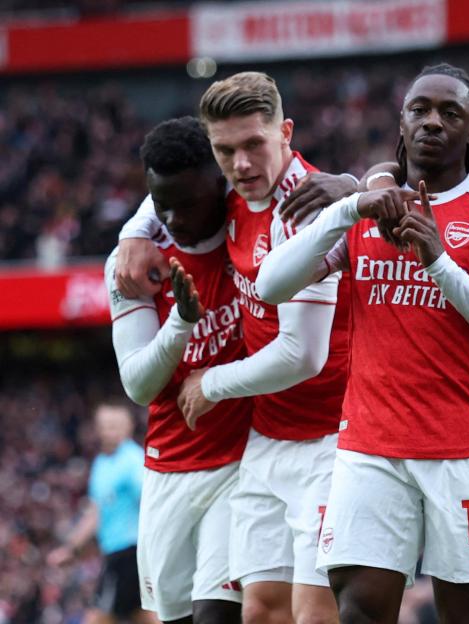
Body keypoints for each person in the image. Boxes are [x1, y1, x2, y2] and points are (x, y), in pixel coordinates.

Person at [255, 63, 469, 624]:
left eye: (450, 114)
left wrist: (439, 262)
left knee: (466, 617)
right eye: (420, 110)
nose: (432, 122)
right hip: (369, 449)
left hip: (463, 451)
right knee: (360, 611)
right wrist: (350, 207)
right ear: (402, 120)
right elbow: (272, 286)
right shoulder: (366, 213)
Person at [116, 72, 354, 624]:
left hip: (330, 439)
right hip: (266, 440)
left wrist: (212, 383)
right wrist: (134, 229)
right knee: (260, 613)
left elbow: (302, 355)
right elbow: (174, 192)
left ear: (286, 133)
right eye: (226, 151)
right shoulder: (236, 193)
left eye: (254, 145)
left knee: (316, 612)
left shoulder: (305, 210)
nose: (242, 164)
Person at [105, 116, 253, 624]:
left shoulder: (250, 227)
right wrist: (181, 324)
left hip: (243, 462)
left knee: (218, 615)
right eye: (160, 204)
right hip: (170, 467)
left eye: (185, 204)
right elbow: (139, 384)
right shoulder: (132, 262)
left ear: (220, 183)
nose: (172, 217)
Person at [47, 401, 158, 624]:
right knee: (143, 615)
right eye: (105, 425)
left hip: (129, 551)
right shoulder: (101, 463)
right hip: (115, 552)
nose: (109, 431)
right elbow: (95, 513)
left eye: (115, 425)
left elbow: (151, 503)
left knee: (97, 617)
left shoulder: (133, 461)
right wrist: (71, 547)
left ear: (127, 427)